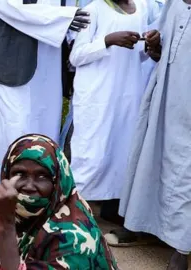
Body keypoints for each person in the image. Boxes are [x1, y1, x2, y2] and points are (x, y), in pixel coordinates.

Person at [0, 134, 117, 269]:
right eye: (19, 174)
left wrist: (5, 229)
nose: (28, 185)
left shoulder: (75, 237)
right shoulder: (7, 210)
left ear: (58, 183)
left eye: (42, 176)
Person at [0, 0, 90, 187]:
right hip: (12, 57)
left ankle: (39, 189)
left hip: (49, 60)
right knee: (15, 126)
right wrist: (62, 18)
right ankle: (10, 189)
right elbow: (3, 5)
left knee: (45, 121)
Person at [68, 0, 159, 223]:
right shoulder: (93, 10)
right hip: (98, 96)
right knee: (93, 153)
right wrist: (107, 41)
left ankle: (113, 204)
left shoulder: (143, 8)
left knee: (122, 152)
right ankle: (74, 209)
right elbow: (76, 56)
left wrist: (150, 45)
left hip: (128, 94)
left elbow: (139, 54)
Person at [116, 0, 191, 269]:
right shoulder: (174, 4)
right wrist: (155, 44)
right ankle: (143, 225)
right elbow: (161, 53)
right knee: (153, 159)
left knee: (184, 171)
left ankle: (183, 248)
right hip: (165, 96)